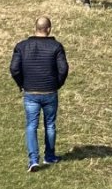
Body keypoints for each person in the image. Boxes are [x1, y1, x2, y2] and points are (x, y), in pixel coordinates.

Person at [9, 16, 69, 172]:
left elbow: (14, 68)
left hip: (31, 92)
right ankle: (49, 155)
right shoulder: (56, 47)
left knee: (31, 125)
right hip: (50, 91)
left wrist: (21, 83)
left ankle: (33, 160)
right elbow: (63, 69)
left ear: (35, 28)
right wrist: (57, 84)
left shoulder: (21, 46)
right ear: (48, 29)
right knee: (50, 125)